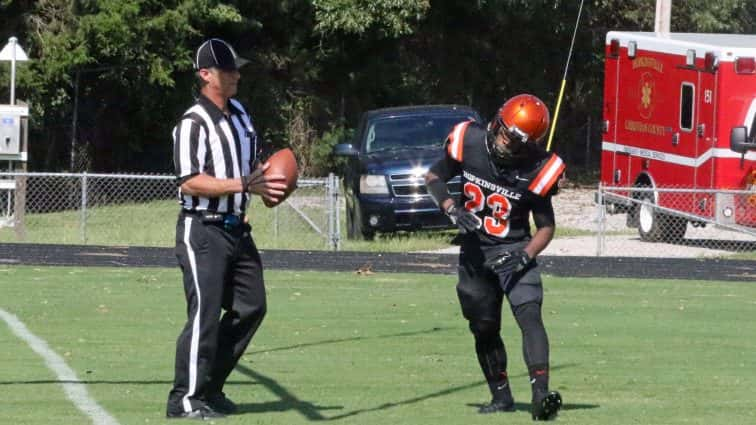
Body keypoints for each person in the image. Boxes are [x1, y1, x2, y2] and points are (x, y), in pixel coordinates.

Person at [166, 38, 288, 420]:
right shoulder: (192, 123)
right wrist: (241, 186)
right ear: (205, 75)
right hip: (203, 228)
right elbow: (188, 181)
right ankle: (184, 399)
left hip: (238, 228)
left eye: (236, 68)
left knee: (252, 307)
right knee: (203, 314)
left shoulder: (240, 115)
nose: (236, 75)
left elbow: (250, 167)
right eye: (227, 69)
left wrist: (270, 182)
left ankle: (211, 387)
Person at [425, 94, 565, 421]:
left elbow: (546, 227)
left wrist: (526, 255)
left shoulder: (536, 167)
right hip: (475, 252)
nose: (504, 141)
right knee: (483, 326)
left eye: (514, 139)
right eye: (503, 131)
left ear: (528, 144)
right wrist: (451, 208)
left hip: (514, 249)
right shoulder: (469, 141)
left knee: (529, 315)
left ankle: (540, 397)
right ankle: (500, 398)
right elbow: (434, 177)